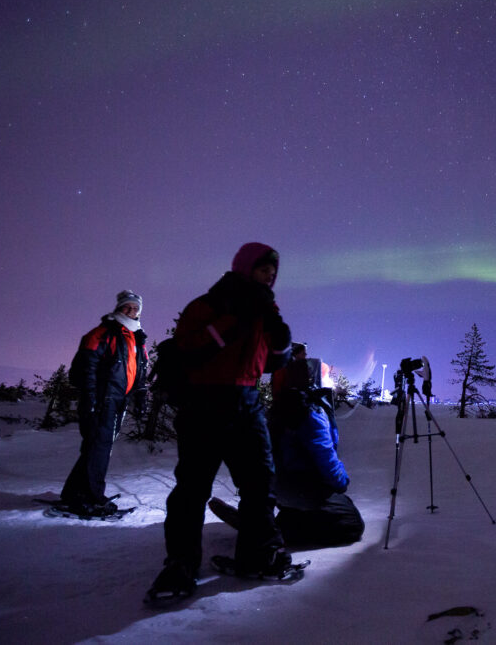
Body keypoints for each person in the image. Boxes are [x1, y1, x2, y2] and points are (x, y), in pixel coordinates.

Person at [148, 243, 293, 600]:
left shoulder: (265, 310)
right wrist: (235, 320)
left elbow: (272, 362)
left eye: (273, 273)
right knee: (192, 489)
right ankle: (179, 564)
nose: (270, 277)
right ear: (245, 269)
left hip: (247, 402)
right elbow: (189, 349)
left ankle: (258, 554)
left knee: (260, 483)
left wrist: (281, 340)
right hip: (205, 403)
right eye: (263, 270)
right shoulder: (209, 304)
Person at [209, 343, 364, 547]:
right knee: (352, 523)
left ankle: (269, 522)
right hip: (301, 487)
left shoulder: (280, 407)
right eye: (325, 377)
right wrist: (341, 482)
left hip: (279, 489)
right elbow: (325, 458)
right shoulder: (311, 412)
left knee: (335, 507)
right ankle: (269, 531)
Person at [62, 290, 148, 516]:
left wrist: (140, 397)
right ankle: (91, 497)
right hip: (102, 400)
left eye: (135, 308)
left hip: (119, 400)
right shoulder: (103, 333)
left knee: (98, 447)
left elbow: (140, 372)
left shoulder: (137, 337)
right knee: (98, 448)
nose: (131, 311)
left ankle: (74, 493)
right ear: (119, 308)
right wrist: (91, 398)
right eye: (127, 307)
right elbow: (86, 368)